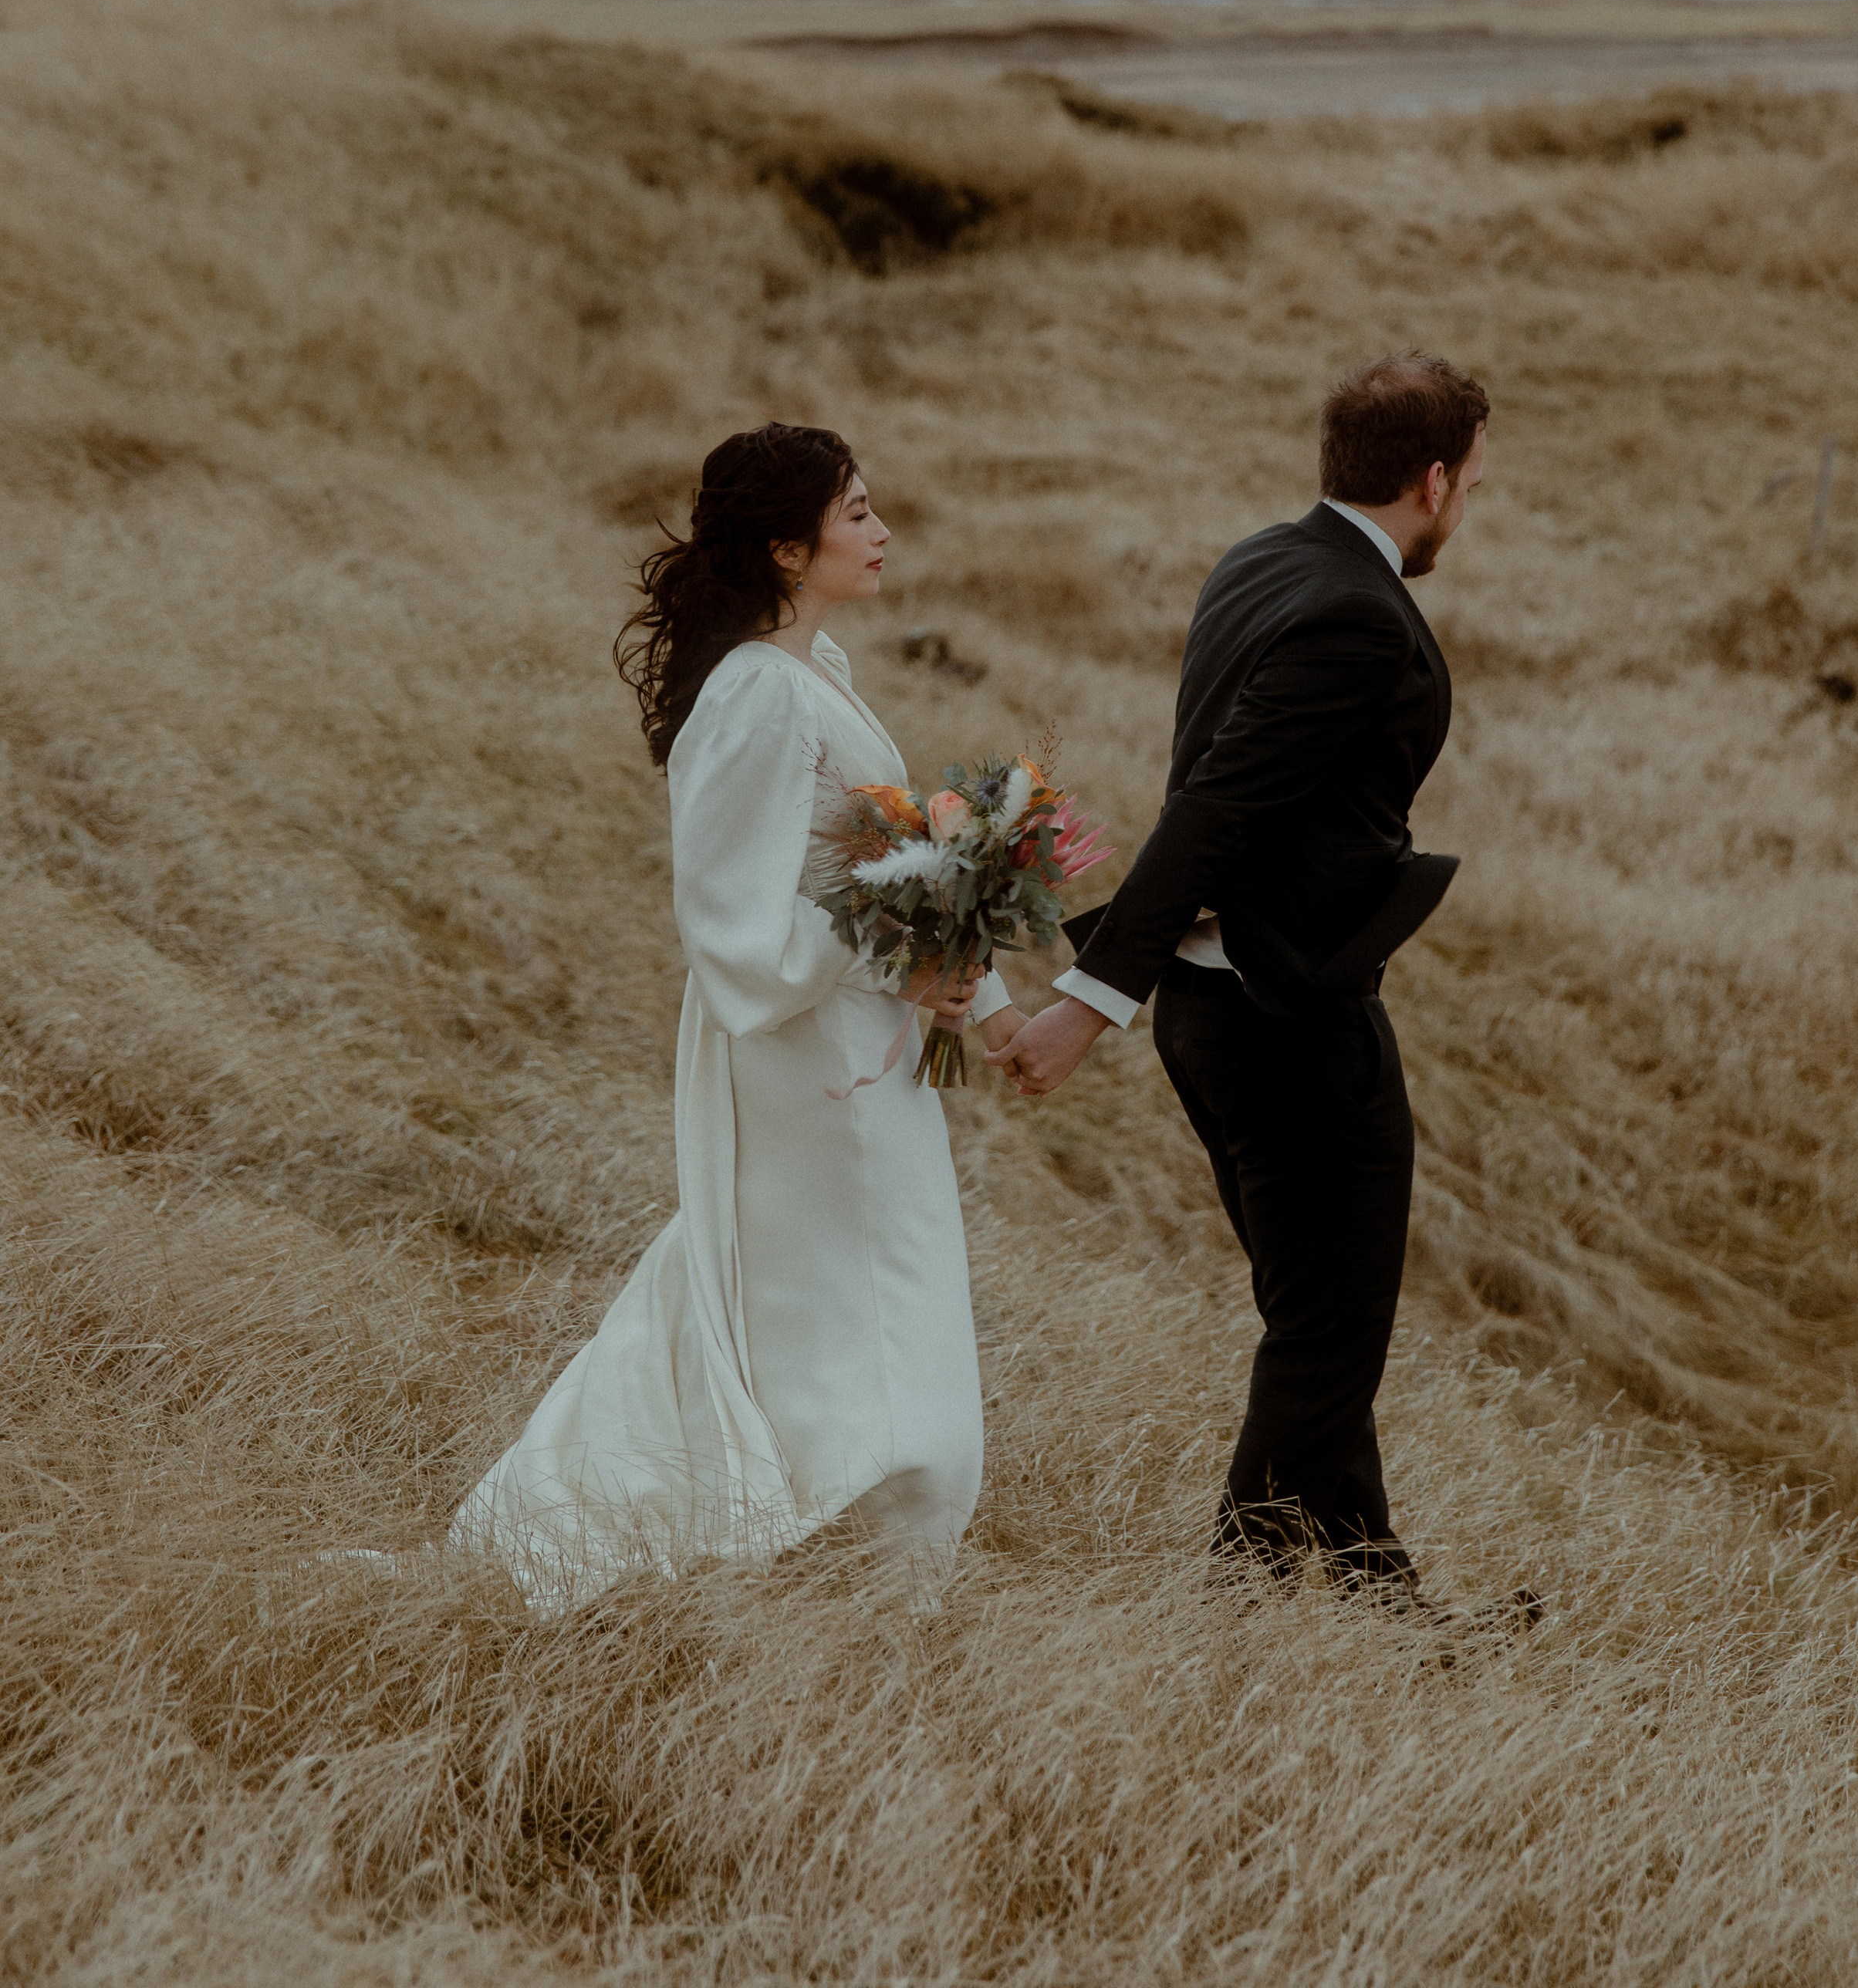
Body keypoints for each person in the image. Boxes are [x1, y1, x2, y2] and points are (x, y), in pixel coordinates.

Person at [989, 355, 1529, 1622]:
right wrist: (1084, 1000)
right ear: (1434, 478)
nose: (1471, 507)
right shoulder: (1357, 612)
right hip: (1288, 1022)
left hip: (1215, 1016)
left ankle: (1388, 1613)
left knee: (1314, 1322)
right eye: (1475, 484)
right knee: (1329, 1336)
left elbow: (1247, 801)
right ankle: (1230, 1611)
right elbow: (1216, 807)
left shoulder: (1258, 558)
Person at [451, 423, 1026, 1608]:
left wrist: (969, 979)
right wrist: (901, 964)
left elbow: (882, 866)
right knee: (866, 1328)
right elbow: (739, 931)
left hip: (857, 1057)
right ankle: (865, 1566)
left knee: (829, 1316)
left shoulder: (814, 676)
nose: (883, 533)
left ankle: (823, 1567)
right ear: (783, 547)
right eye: (857, 514)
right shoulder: (761, 700)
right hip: (807, 1068)